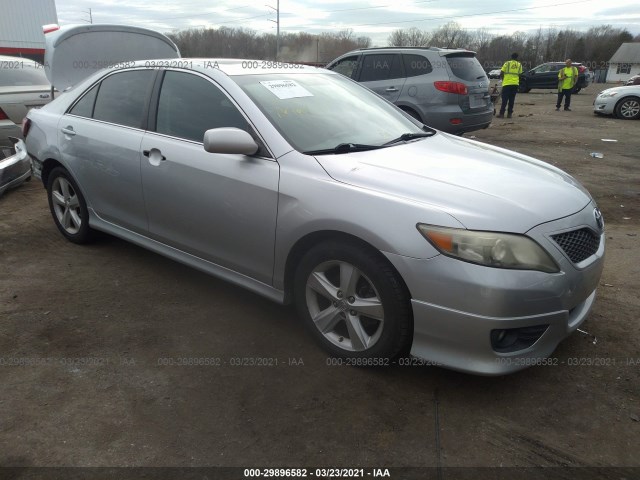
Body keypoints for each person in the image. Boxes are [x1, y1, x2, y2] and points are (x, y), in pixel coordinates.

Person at [497, 52, 523, 118]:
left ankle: (502, 114)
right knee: (512, 99)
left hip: (507, 84)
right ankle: (509, 114)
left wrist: (503, 80)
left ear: (511, 57)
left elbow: (501, 72)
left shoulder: (507, 63)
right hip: (515, 84)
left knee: (504, 99)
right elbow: (520, 74)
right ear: (517, 58)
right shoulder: (519, 65)